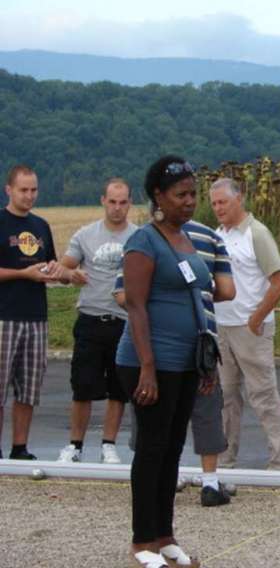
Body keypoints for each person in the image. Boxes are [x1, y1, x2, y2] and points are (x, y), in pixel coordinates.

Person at [115, 155, 215, 568]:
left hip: (186, 362)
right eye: (181, 195)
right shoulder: (145, 240)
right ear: (159, 196)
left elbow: (197, 295)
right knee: (152, 451)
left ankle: (165, 535)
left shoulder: (184, 237)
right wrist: (148, 368)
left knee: (173, 450)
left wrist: (205, 361)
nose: (190, 202)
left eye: (193, 194)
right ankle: (142, 542)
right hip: (149, 363)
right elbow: (136, 306)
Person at [113, 217, 236, 506]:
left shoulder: (143, 239)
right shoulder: (210, 237)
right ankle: (209, 480)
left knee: (152, 420)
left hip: (155, 341)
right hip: (201, 339)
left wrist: (164, 297)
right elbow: (228, 290)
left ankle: (165, 477)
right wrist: (198, 295)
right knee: (206, 410)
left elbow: (123, 295)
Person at [210, 177, 280, 470]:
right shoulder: (216, 236)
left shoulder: (257, 234)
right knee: (225, 399)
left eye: (223, 202)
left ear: (239, 199)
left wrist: (256, 318)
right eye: (215, 203)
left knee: (264, 396)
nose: (219, 208)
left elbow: (279, 282)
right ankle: (224, 460)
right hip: (222, 328)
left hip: (250, 329)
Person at [56, 178, 137, 464]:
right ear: (103, 200)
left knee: (118, 388)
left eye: (123, 202)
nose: (117, 208)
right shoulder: (86, 235)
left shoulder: (139, 237)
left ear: (130, 203)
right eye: (112, 202)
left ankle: (108, 444)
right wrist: (71, 274)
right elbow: (62, 268)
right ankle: (75, 445)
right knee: (82, 385)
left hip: (123, 321)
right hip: (90, 317)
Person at [0, 164, 64, 460]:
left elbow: (50, 263)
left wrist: (53, 272)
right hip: (4, 315)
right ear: (9, 190)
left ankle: (20, 447)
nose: (29, 195)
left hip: (36, 316)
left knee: (29, 388)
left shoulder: (41, 226)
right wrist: (23, 273)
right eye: (23, 190)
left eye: (34, 190)